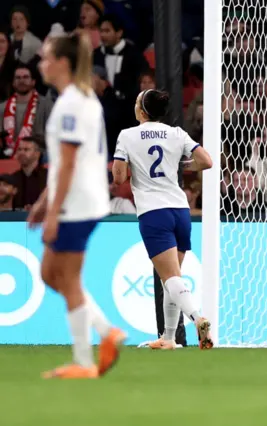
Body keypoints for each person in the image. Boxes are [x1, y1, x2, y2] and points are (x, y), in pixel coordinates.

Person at [27, 31, 125, 379]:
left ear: (63, 63)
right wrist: (43, 201)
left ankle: (85, 360)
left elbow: (67, 164)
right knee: (51, 274)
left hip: (76, 203)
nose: (42, 62)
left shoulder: (71, 103)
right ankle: (105, 331)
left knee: (65, 278)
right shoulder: (81, 98)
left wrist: (53, 212)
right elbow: (69, 161)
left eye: (46, 57)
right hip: (81, 199)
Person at [111, 89, 214, 350]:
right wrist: (179, 166)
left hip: (153, 212)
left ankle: (197, 318)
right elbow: (206, 161)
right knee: (171, 276)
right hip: (180, 211)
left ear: (142, 111)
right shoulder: (176, 133)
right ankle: (168, 338)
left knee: (169, 277)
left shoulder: (127, 135)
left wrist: (132, 167)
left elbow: (119, 178)